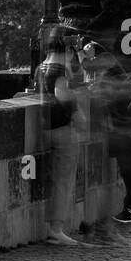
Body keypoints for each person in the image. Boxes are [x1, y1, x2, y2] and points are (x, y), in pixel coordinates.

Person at [38, 38, 80, 245]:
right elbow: (61, 96)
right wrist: (77, 111)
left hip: (45, 127)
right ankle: (56, 228)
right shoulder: (58, 71)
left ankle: (51, 226)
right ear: (68, 52)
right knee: (63, 180)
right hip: (62, 129)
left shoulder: (41, 67)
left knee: (54, 179)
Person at [100, 63, 131, 224]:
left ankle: (130, 211)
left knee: (129, 175)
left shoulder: (119, 95)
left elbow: (113, 109)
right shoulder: (128, 89)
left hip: (126, 138)